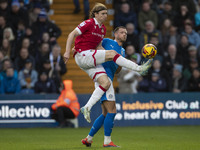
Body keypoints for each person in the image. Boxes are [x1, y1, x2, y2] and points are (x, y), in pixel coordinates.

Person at [64, 3, 152, 123]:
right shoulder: (89, 23)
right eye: (103, 13)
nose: (105, 16)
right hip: (83, 55)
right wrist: (67, 52)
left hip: (90, 57)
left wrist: (110, 56)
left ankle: (87, 107)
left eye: (106, 13)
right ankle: (139, 68)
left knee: (106, 83)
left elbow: (99, 46)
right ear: (96, 14)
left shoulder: (103, 29)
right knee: (111, 54)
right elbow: (71, 34)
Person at [81, 26, 128, 148]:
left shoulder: (122, 51)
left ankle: (88, 139)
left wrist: (119, 64)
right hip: (104, 78)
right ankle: (107, 142)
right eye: (122, 32)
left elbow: (117, 70)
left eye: (126, 33)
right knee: (112, 111)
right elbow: (94, 46)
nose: (124, 34)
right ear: (115, 33)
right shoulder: (107, 41)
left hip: (109, 78)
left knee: (105, 113)